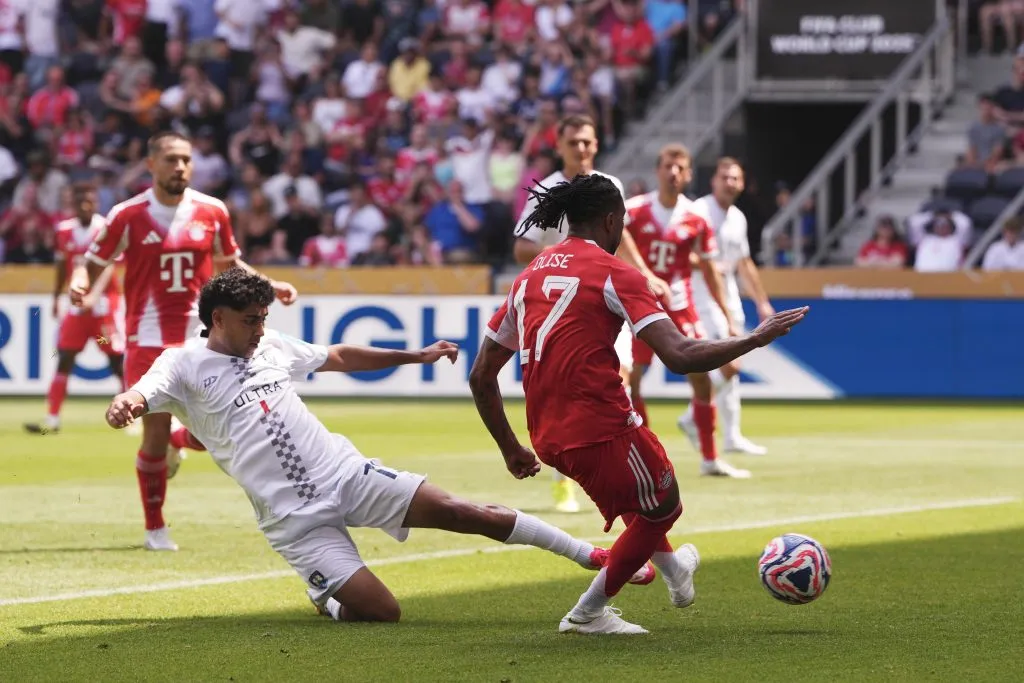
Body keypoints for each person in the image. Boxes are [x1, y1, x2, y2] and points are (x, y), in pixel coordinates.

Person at [103, 268, 650, 623]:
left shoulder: (269, 344)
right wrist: (126, 402)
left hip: (345, 474)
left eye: (264, 318)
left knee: (465, 512)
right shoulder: (181, 364)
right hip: (293, 518)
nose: (259, 329)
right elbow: (142, 391)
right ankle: (325, 593)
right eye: (250, 321)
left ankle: (587, 554)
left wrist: (414, 356)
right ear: (217, 319)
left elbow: (338, 356)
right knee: (382, 612)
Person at [469, 174, 808, 634]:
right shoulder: (616, 273)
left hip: (546, 438)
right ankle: (586, 615)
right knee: (664, 506)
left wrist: (511, 448)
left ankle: (675, 573)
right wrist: (753, 339)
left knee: (636, 496)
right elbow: (681, 355)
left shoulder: (530, 275)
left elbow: (481, 375)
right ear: (611, 220)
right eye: (622, 222)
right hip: (600, 427)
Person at [70, 131, 299, 552]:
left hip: (203, 340)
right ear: (152, 163)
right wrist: (80, 281)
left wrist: (269, 284)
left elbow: (230, 264)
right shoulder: (127, 214)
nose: (180, 167)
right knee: (153, 436)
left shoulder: (212, 210)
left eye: (186, 160)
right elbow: (94, 261)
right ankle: (155, 529)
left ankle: (183, 441)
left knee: (219, 432)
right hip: (147, 342)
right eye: (172, 159)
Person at [512, 113, 669, 513]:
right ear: (560, 146)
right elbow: (521, 248)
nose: (581, 148)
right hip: (568, 306)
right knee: (585, 387)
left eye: (587, 142)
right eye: (573, 142)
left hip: (608, 297)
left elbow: (624, 235)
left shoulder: (608, 187)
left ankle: (626, 471)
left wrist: (644, 274)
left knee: (624, 378)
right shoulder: (547, 191)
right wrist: (568, 259)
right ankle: (570, 479)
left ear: (596, 145)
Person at [625, 145, 750, 478]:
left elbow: (710, 271)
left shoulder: (696, 219)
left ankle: (710, 458)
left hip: (681, 307)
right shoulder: (634, 211)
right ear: (658, 170)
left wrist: (725, 315)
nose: (674, 173)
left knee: (702, 375)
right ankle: (647, 460)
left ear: (689, 174)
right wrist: (640, 274)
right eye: (668, 166)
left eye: (681, 168)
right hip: (639, 306)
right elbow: (616, 237)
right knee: (632, 382)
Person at [685, 158, 775, 456]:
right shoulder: (698, 210)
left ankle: (731, 435)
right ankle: (693, 417)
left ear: (742, 183)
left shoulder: (737, 217)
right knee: (729, 363)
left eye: (735, 178)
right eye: (724, 177)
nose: (729, 182)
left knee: (733, 364)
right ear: (713, 181)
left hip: (730, 296)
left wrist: (761, 301)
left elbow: (744, 262)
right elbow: (680, 253)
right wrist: (708, 264)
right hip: (702, 296)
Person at [24, 183, 125, 436]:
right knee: (65, 357)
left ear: (95, 203)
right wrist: (56, 296)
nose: (84, 205)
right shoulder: (64, 231)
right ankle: (52, 419)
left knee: (115, 360)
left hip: (102, 311)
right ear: (74, 204)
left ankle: (130, 414)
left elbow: (110, 265)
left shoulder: (105, 228)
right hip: (77, 310)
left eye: (88, 201)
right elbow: (61, 265)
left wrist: (95, 294)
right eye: (80, 201)